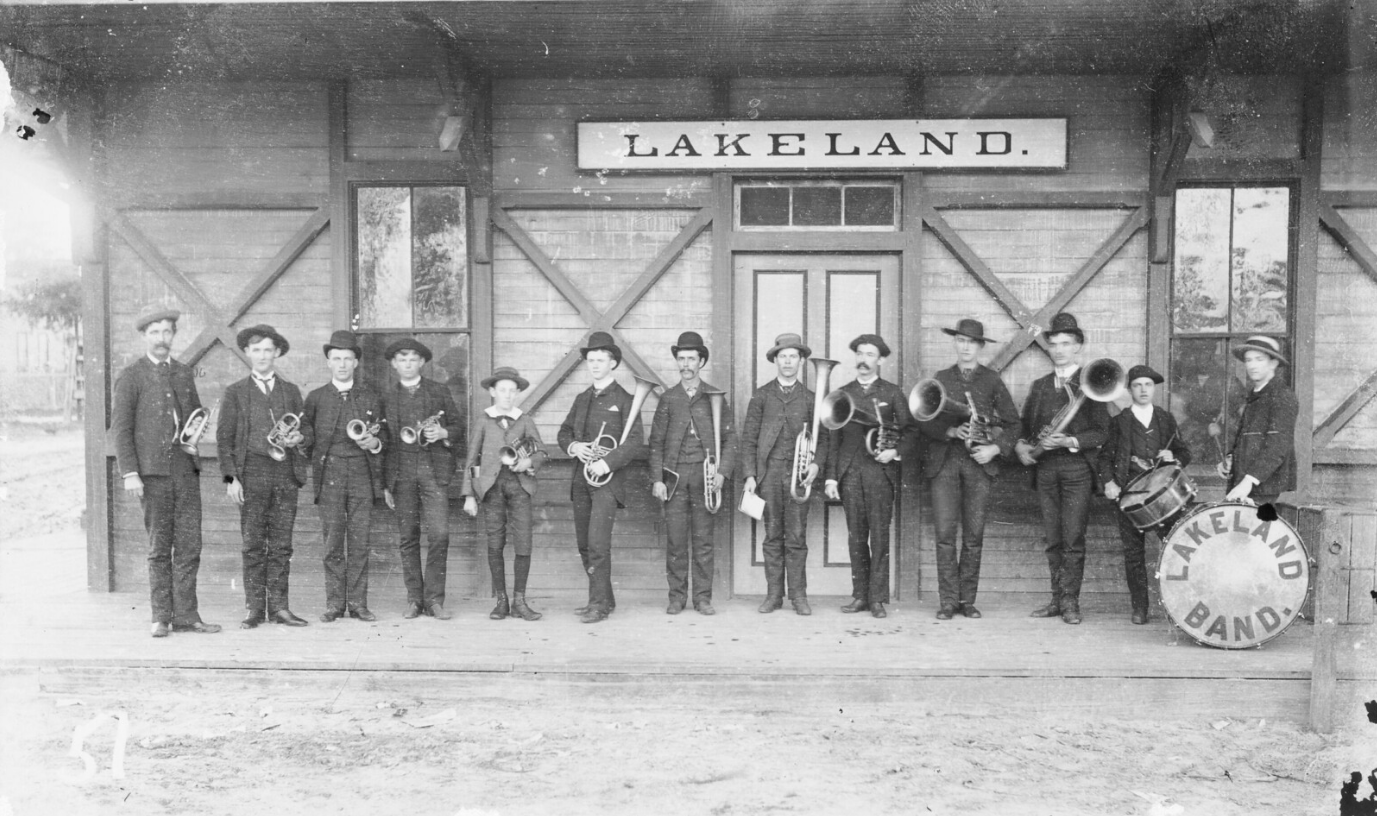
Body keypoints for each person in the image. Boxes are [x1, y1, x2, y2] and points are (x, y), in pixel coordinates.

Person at [110, 307, 221, 638]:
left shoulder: (184, 373)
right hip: (152, 475)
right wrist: (130, 472)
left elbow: (193, 418)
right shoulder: (131, 376)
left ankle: (187, 615)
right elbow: (121, 429)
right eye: (155, 332)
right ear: (145, 336)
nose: (161, 338)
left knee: (189, 546)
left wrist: (198, 429)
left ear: (174, 336)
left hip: (184, 471)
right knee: (160, 547)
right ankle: (161, 616)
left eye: (167, 332)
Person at [916, 319, 1020, 621]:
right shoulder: (941, 377)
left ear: (980, 346)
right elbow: (925, 421)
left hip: (978, 464)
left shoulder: (991, 380)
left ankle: (967, 600)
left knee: (973, 536)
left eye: (971, 342)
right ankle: (948, 601)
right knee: (945, 535)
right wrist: (948, 433)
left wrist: (996, 449)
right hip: (945, 463)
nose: (965, 347)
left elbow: (1014, 424)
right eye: (960, 340)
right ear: (955, 343)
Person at [1014, 312, 1110, 625]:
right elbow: (1025, 426)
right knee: (1053, 539)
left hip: (1076, 469)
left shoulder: (1092, 383)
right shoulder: (1040, 385)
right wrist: (1023, 444)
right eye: (1054, 344)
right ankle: (1056, 600)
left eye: (1066, 344)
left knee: (1073, 539)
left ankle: (1071, 602)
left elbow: (1102, 432)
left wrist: (1069, 439)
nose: (1058, 350)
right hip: (1045, 470)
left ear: (1078, 347)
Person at [217, 324, 310, 629]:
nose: (262, 356)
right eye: (256, 350)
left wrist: (298, 439)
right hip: (252, 474)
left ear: (277, 353)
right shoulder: (235, 392)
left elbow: (306, 430)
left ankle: (280, 607)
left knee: (282, 544)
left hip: (284, 473)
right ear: (247, 353)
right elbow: (224, 440)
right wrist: (232, 479)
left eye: (268, 349)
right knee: (253, 544)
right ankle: (254, 608)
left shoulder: (291, 391)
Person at [558, 332, 646, 624]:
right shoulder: (582, 398)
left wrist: (606, 463)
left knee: (597, 543)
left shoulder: (625, 400)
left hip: (608, 483)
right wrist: (575, 447)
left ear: (613, 363)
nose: (594, 365)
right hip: (581, 481)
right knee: (584, 543)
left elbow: (634, 442)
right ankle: (604, 599)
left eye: (600, 360)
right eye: (591, 360)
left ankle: (598, 604)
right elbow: (564, 432)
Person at [823, 333, 910, 619]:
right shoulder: (843, 392)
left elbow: (911, 432)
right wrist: (832, 478)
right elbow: (833, 439)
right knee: (856, 537)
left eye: (870, 354)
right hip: (850, 474)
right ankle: (860, 595)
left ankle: (877, 598)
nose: (863, 359)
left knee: (880, 536)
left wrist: (894, 451)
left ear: (881, 360)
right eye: (860, 353)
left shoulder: (893, 392)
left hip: (880, 472)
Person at [649, 331, 736, 616]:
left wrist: (723, 472)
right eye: (681, 359)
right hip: (674, 479)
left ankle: (702, 598)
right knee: (675, 540)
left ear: (701, 362)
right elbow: (656, 443)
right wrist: (657, 479)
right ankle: (676, 598)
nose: (686, 364)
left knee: (703, 541)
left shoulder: (715, 397)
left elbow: (730, 438)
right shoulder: (668, 399)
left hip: (705, 477)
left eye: (691, 359)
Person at [1097, 364, 1192, 625]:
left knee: (1175, 549)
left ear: (1153, 389)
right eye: (1137, 385)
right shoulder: (1119, 422)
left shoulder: (1165, 419)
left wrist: (1174, 456)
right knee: (1134, 554)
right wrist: (1108, 483)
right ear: (1130, 390)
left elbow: (1185, 453)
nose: (1142, 390)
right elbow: (1104, 458)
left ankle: (1177, 606)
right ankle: (1140, 608)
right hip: (1129, 495)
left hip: (1164, 497)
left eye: (1147, 385)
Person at [740, 333, 825, 616]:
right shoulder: (761, 396)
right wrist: (751, 475)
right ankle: (774, 596)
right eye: (783, 356)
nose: (788, 361)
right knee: (772, 536)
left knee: (797, 537)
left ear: (801, 361)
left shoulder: (812, 399)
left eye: (793, 356)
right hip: (770, 475)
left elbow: (822, 440)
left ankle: (798, 597)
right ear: (775, 360)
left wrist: (815, 466)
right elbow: (749, 439)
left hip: (800, 476)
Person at [303, 329, 385, 622]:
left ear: (356, 363)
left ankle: (358, 604)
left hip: (362, 474)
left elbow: (382, 438)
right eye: (336, 358)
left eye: (347, 359)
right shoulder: (315, 398)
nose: (342, 364)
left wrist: (374, 443)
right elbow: (306, 440)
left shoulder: (371, 397)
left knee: (360, 541)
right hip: (330, 475)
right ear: (328, 361)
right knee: (333, 541)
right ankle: (335, 603)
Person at [381, 338, 463, 621]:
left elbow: (457, 427)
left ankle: (434, 600)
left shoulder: (439, 391)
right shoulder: (386, 397)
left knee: (440, 534)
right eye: (402, 359)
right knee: (408, 537)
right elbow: (383, 441)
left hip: (433, 471)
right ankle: (414, 599)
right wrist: (385, 484)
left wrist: (442, 434)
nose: (407, 363)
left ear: (422, 363)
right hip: (401, 473)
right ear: (394, 364)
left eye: (413, 359)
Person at [462, 366, 549, 621]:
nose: (508, 395)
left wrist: (529, 463)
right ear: (492, 391)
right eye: (503, 390)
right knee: (495, 542)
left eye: (513, 390)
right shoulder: (483, 420)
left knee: (523, 541)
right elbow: (471, 458)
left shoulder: (524, 420)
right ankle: (501, 601)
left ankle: (520, 601)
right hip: (491, 489)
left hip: (520, 486)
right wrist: (469, 494)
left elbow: (541, 452)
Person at [1219, 336, 1298, 506]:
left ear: (1273, 363)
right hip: (1244, 483)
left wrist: (1248, 482)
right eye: (1248, 360)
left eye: (1259, 359)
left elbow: (1277, 447)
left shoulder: (1282, 396)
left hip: (1263, 487)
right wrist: (1231, 459)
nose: (1252, 365)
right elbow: (1248, 438)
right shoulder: (1255, 395)